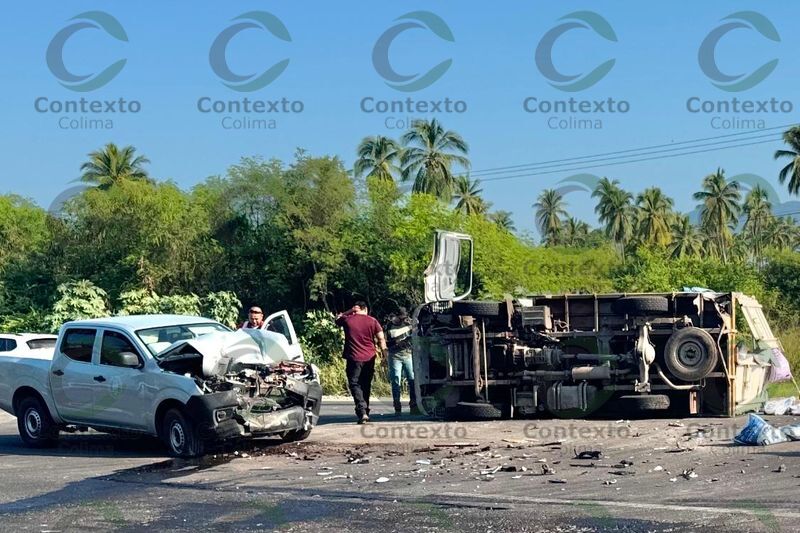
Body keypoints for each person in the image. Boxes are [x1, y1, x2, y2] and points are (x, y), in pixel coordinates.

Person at [336, 301, 386, 424]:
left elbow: (337, 319)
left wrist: (349, 311)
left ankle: (362, 411)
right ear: (366, 309)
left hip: (354, 358)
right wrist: (385, 357)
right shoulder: (373, 321)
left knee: (354, 383)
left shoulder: (347, 320)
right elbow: (381, 338)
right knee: (365, 384)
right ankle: (365, 411)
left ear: (355, 309)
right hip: (370, 357)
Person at [385, 307, 419, 415]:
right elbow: (392, 334)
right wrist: (409, 327)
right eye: (401, 317)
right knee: (396, 380)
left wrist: (412, 326)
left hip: (407, 353)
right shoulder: (391, 324)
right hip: (395, 354)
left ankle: (413, 404)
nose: (404, 319)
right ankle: (397, 404)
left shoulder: (409, 322)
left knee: (412, 379)